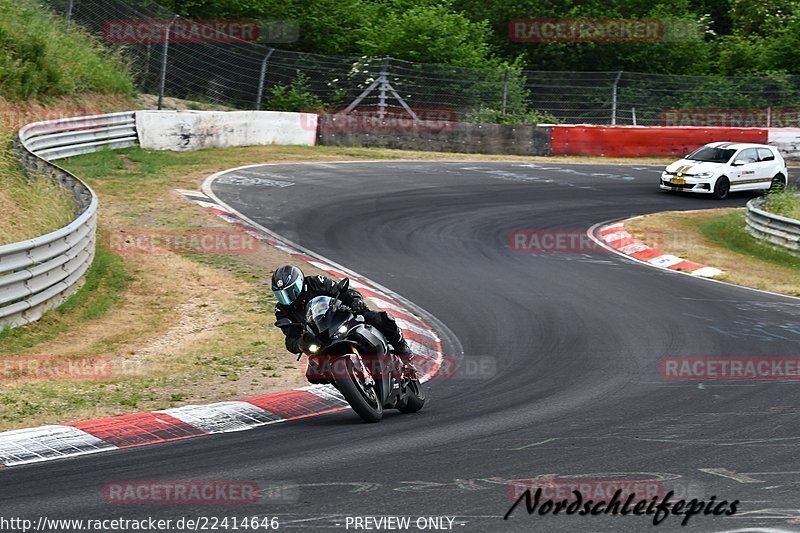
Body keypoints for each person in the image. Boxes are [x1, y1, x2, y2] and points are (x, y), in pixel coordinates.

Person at [271, 265, 416, 376]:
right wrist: (299, 344)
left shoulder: (316, 282)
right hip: (319, 337)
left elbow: (345, 291)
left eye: (290, 292)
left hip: (340, 316)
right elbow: (290, 337)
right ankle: (348, 384)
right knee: (314, 373)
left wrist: (355, 301)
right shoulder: (282, 310)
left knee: (381, 319)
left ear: (300, 283)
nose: (287, 298)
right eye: (282, 295)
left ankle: (403, 351)